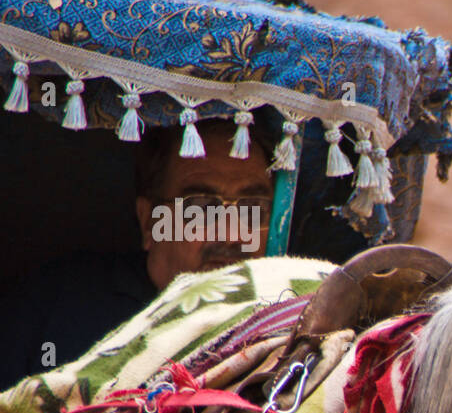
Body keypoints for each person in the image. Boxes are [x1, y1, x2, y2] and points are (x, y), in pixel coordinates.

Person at [0, 119, 273, 387]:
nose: (233, 235)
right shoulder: (53, 307)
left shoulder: (288, 322)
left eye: (253, 208)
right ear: (149, 222)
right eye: (200, 208)